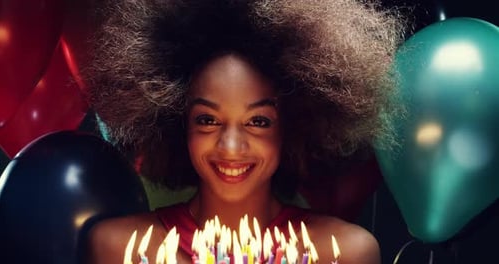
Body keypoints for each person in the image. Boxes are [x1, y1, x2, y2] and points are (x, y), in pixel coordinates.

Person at [84, 0, 405, 263]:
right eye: (208, 120)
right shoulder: (118, 247)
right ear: (178, 123)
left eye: (258, 121)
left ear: (292, 126)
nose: (232, 146)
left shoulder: (345, 252)